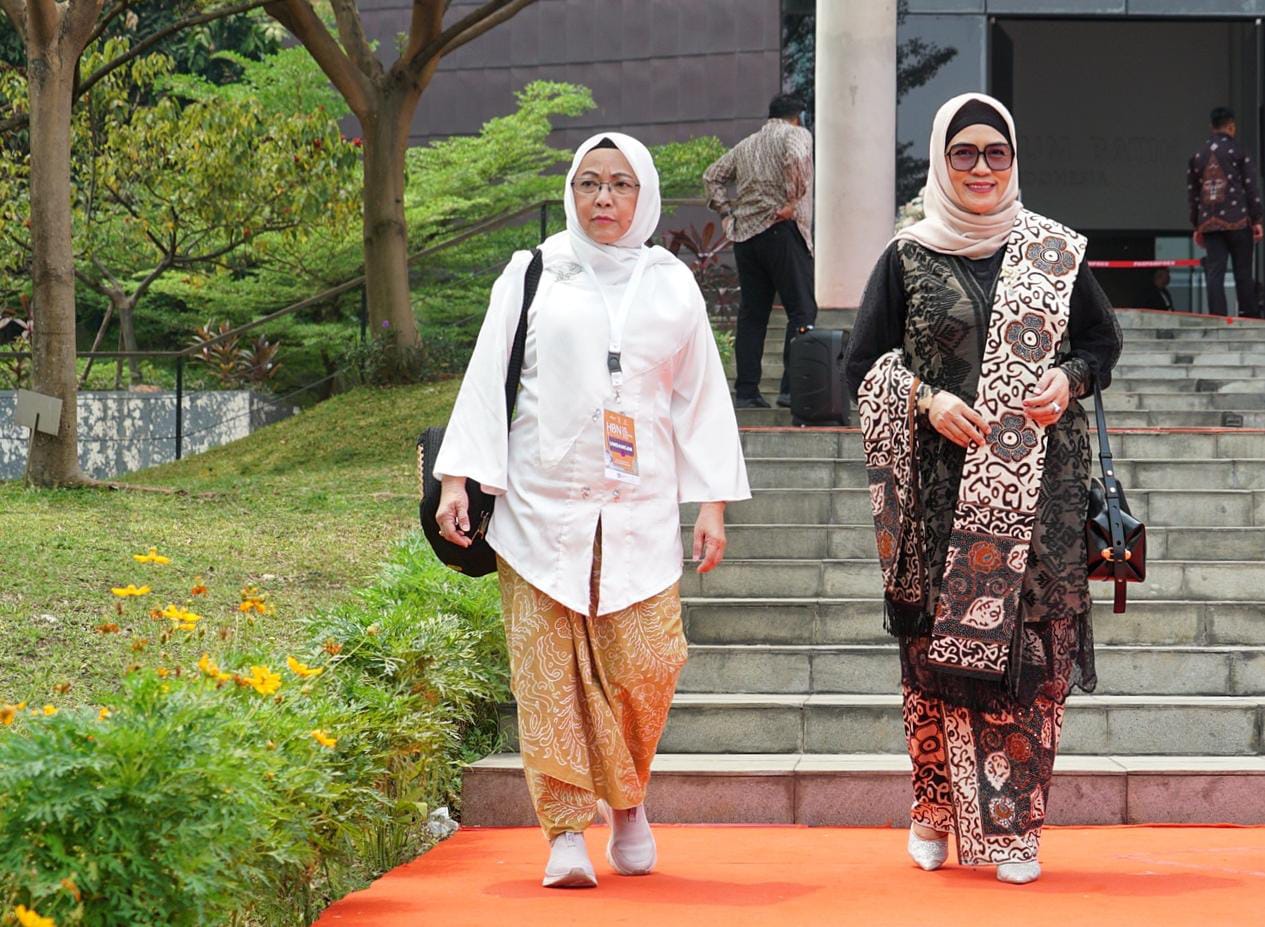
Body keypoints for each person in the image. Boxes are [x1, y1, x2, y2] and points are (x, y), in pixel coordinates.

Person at [433, 133, 750, 889]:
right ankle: (566, 833)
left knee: (648, 664)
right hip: (539, 507)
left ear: (644, 195)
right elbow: (486, 376)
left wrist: (711, 502)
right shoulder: (533, 271)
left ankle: (628, 802)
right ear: (572, 192)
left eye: (619, 184)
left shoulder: (671, 284)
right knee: (547, 675)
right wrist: (456, 480)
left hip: (639, 509)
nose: (603, 198)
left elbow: (700, 397)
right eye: (588, 183)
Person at [843, 93, 1122, 885]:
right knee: (940, 661)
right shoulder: (906, 257)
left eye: (994, 153)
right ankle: (932, 805)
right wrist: (925, 399)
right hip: (940, 500)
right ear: (941, 161)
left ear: (1012, 160)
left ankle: (1014, 825)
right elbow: (861, 365)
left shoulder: (1052, 251)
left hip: (1042, 498)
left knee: (1036, 659)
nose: (979, 168)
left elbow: (1100, 341)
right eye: (962, 153)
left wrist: (1068, 379)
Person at [704, 92, 816, 409]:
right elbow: (797, 158)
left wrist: (726, 212)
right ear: (798, 117)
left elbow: (711, 176)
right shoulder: (796, 134)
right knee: (802, 310)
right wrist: (793, 200)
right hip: (781, 230)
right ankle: (791, 390)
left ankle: (746, 392)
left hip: (746, 237)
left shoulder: (747, 144)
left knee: (753, 316)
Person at [1188, 106, 1263, 316]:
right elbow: (1250, 187)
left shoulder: (1198, 156)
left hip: (1210, 224)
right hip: (1238, 220)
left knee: (1215, 272)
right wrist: (1257, 218)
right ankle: (1248, 316)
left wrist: (1197, 225)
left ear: (1211, 127)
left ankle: (1217, 317)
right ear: (1231, 126)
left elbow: (1193, 194)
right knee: (1243, 272)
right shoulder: (1239, 152)